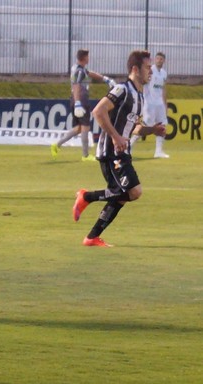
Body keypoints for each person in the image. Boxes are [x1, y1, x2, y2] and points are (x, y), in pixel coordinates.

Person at [72, 50, 166, 247]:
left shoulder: (140, 96)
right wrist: (115, 136)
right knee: (133, 191)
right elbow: (99, 111)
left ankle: (91, 237)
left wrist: (153, 130)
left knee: (125, 195)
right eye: (147, 68)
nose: (150, 72)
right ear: (135, 69)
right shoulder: (122, 89)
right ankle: (86, 196)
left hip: (123, 153)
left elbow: (135, 127)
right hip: (110, 152)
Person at [51, 49, 115, 162]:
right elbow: (76, 85)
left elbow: (89, 73)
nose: (89, 58)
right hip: (81, 99)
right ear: (85, 58)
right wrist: (78, 103)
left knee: (78, 129)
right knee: (85, 127)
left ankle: (57, 145)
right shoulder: (79, 71)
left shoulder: (78, 68)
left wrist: (105, 79)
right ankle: (85, 156)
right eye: (88, 56)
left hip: (75, 99)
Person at [130, 51, 169, 158]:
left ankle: (158, 151)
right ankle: (128, 148)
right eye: (157, 58)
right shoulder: (149, 70)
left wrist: (165, 104)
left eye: (161, 59)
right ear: (155, 59)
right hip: (149, 103)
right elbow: (142, 83)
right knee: (144, 126)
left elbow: (163, 89)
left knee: (161, 126)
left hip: (159, 104)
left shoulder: (164, 73)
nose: (159, 60)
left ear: (164, 61)